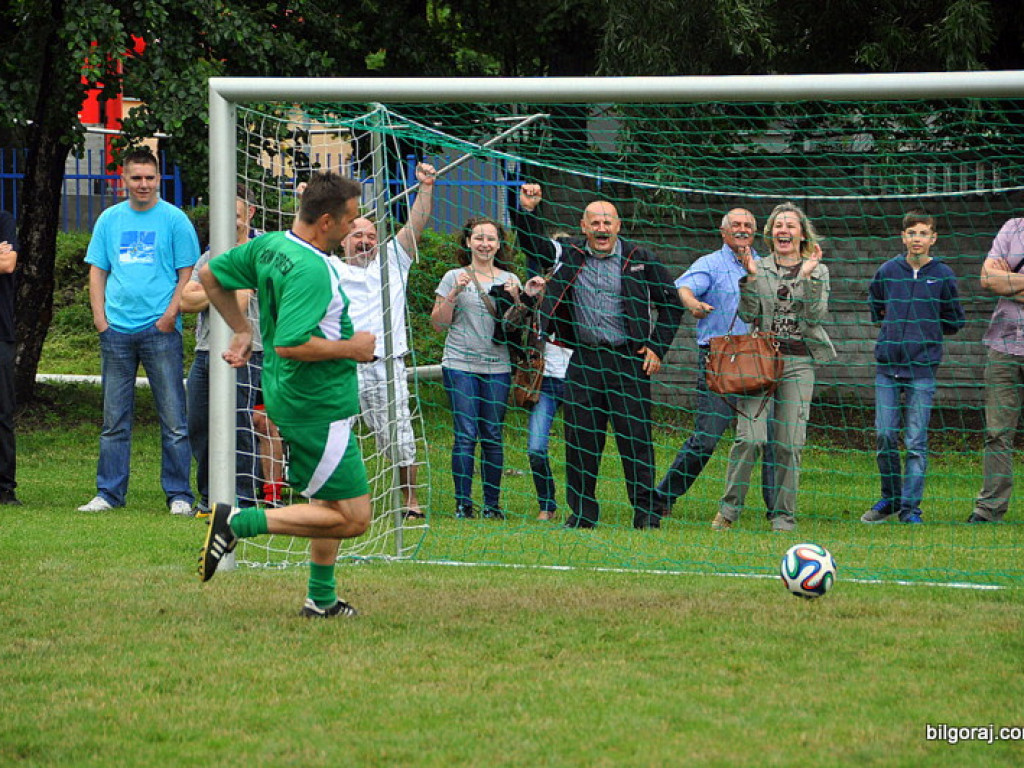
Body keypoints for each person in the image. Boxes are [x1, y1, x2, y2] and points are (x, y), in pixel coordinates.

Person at [197, 171, 375, 619]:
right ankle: (240, 522)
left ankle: (321, 599)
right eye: (351, 219)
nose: (356, 226)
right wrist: (352, 349)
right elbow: (292, 343)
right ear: (327, 221)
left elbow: (208, 274)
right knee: (353, 517)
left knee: (325, 503)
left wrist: (242, 330)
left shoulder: (271, 244)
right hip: (317, 402)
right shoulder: (314, 270)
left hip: (288, 393)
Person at [511, 184, 683, 530]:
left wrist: (656, 347)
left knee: (636, 441)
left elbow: (671, 304)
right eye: (595, 223)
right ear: (584, 226)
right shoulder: (569, 253)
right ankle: (583, 514)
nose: (601, 229)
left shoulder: (639, 257)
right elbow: (535, 245)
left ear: (618, 226)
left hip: (628, 362)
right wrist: (528, 212)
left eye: (608, 223)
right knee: (580, 440)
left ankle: (646, 515)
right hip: (585, 360)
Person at [79, 146, 198, 515]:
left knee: (174, 420)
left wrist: (168, 317)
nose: (143, 184)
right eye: (136, 178)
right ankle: (109, 493)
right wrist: (100, 318)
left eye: (149, 177)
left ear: (158, 179)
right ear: (124, 179)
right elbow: (97, 270)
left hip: (160, 331)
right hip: (115, 331)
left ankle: (179, 494)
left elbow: (187, 274)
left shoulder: (175, 220)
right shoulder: (109, 220)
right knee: (114, 420)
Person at [716, 202, 836, 532]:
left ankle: (783, 516)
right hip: (760, 360)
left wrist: (809, 277)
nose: (783, 231)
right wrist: (751, 278)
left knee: (789, 444)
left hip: (799, 363)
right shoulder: (759, 265)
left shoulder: (818, 269)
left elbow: (814, 317)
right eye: (778, 226)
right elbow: (747, 314)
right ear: (771, 234)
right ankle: (728, 510)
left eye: (790, 226)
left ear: (802, 234)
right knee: (750, 439)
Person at [653, 208, 775, 518]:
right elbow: (683, 288)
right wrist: (694, 305)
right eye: (736, 225)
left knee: (768, 439)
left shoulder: (766, 266)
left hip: (759, 360)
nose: (742, 229)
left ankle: (777, 511)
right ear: (723, 232)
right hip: (718, 361)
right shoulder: (709, 263)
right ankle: (663, 497)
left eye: (748, 224)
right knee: (706, 440)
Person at [340, 162, 436, 520]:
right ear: (344, 241)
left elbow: (415, 226)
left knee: (401, 439)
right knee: (333, 434)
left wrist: (425, 188)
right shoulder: (332, 268)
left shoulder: (394, 262)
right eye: (357, 236)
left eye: (370, 235)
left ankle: (409, 500)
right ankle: (333, 498)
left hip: (388, 366)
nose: (365, 242)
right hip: (343, 367)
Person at [862, 210, 965, 525]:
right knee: (884, 435)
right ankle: (890, 499)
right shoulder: (888, 271)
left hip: (922, 370)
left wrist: (926, 337)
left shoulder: (943, 275)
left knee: (916, 441)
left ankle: (910, 509)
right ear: (903, 237)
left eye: (924, 233)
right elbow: (876, 306)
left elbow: (954, 320)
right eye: (912, 233)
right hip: (887, 368)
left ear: (933, 238)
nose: (917, 239)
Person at [430, 216, 521, 520]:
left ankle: (492, 505)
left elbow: (520, 330)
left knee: (492, 434)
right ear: (467, 242)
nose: (485, 244)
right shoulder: (453, 275)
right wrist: (455, 292)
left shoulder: (510, 279)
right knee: (466, 434)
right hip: (460, 364)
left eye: (491, 239)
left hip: (498, 366)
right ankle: (462, 504)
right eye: (479, 238)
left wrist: (521, 298)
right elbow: (438, 324)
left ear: (499, 244)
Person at [182, 187, 263, 515]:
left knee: (239, 425)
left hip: (246, 353)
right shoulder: (211, 253)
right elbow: (186, 300)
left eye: (237, 217)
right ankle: (208, 497)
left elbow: (242, 301)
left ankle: (243, 498)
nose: (230, 223)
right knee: (199, 425)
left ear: (251, 214)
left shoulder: (261, 251)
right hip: (205, 352)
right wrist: (222, 290)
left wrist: (211, 289)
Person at [970, 217, 1024, 523]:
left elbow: (999, 281)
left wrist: (1009, 283)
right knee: (997, 432)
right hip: (1003, 347)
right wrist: (998, 280)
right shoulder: (1012, 227)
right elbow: (987, 279)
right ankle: (989, 509)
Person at [0, 209, 19, 505]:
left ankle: (4, 487)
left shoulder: (3, 220)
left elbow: (7, 263)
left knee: (2, 412)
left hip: (0, 332)